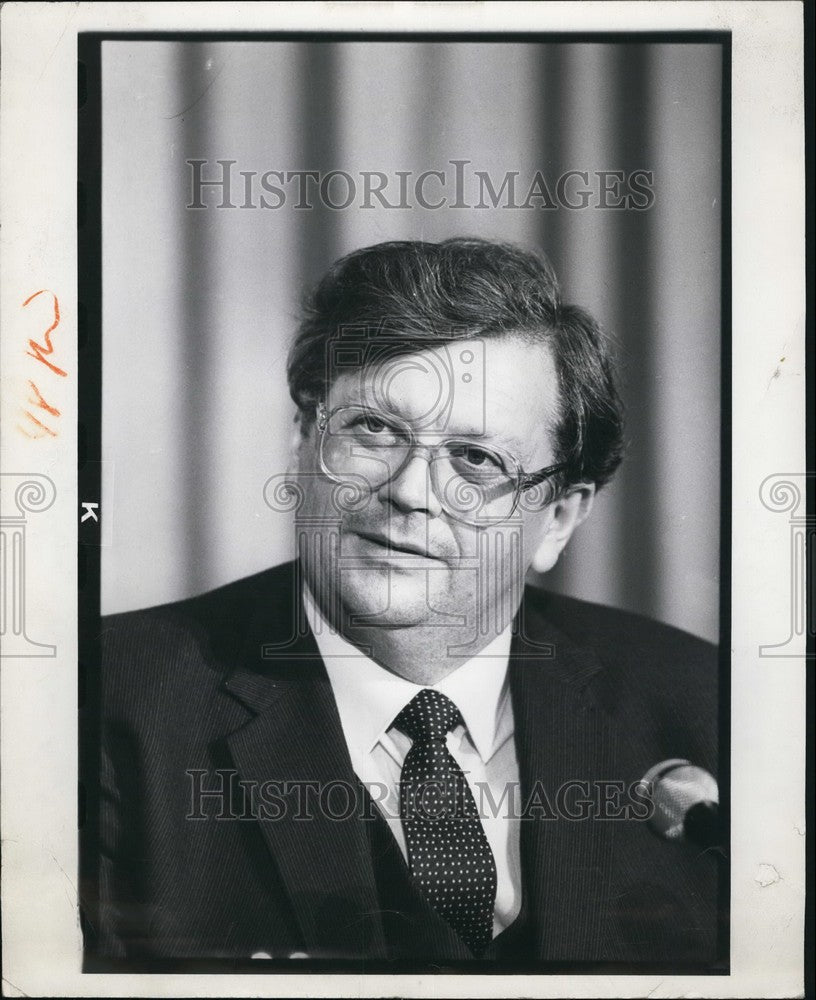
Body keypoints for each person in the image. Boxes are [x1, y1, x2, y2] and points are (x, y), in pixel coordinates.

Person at [87, 238, 721, 966]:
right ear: (302, 440)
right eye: (374, 430)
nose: (411, 492)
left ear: (559, 519)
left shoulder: (696, 703)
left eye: (476, 459)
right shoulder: (108, 704)